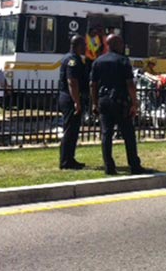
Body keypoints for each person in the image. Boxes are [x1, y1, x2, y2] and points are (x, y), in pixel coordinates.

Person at [90, 34, 150, 175]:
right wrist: (134, 103)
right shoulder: (123, 61)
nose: (123, 46)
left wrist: (94, 103)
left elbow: (93, 84)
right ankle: (134, 165)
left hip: (103, 100)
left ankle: (109, 166)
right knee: (128, 134)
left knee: (106, 134)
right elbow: (130, 84)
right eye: (121, 43)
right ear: (116, 44)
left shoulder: (98, 61)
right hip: (120, 101)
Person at [58, 35, 88, 170]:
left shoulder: (69, 58)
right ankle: (65, 161)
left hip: (69, 97)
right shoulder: (72, 61)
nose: (86, 47)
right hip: (70, 98)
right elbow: (72, 82)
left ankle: (70, 158)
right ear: (78, 45)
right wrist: (77, 101)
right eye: (84, 45)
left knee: (73, 130)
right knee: (70, 130)